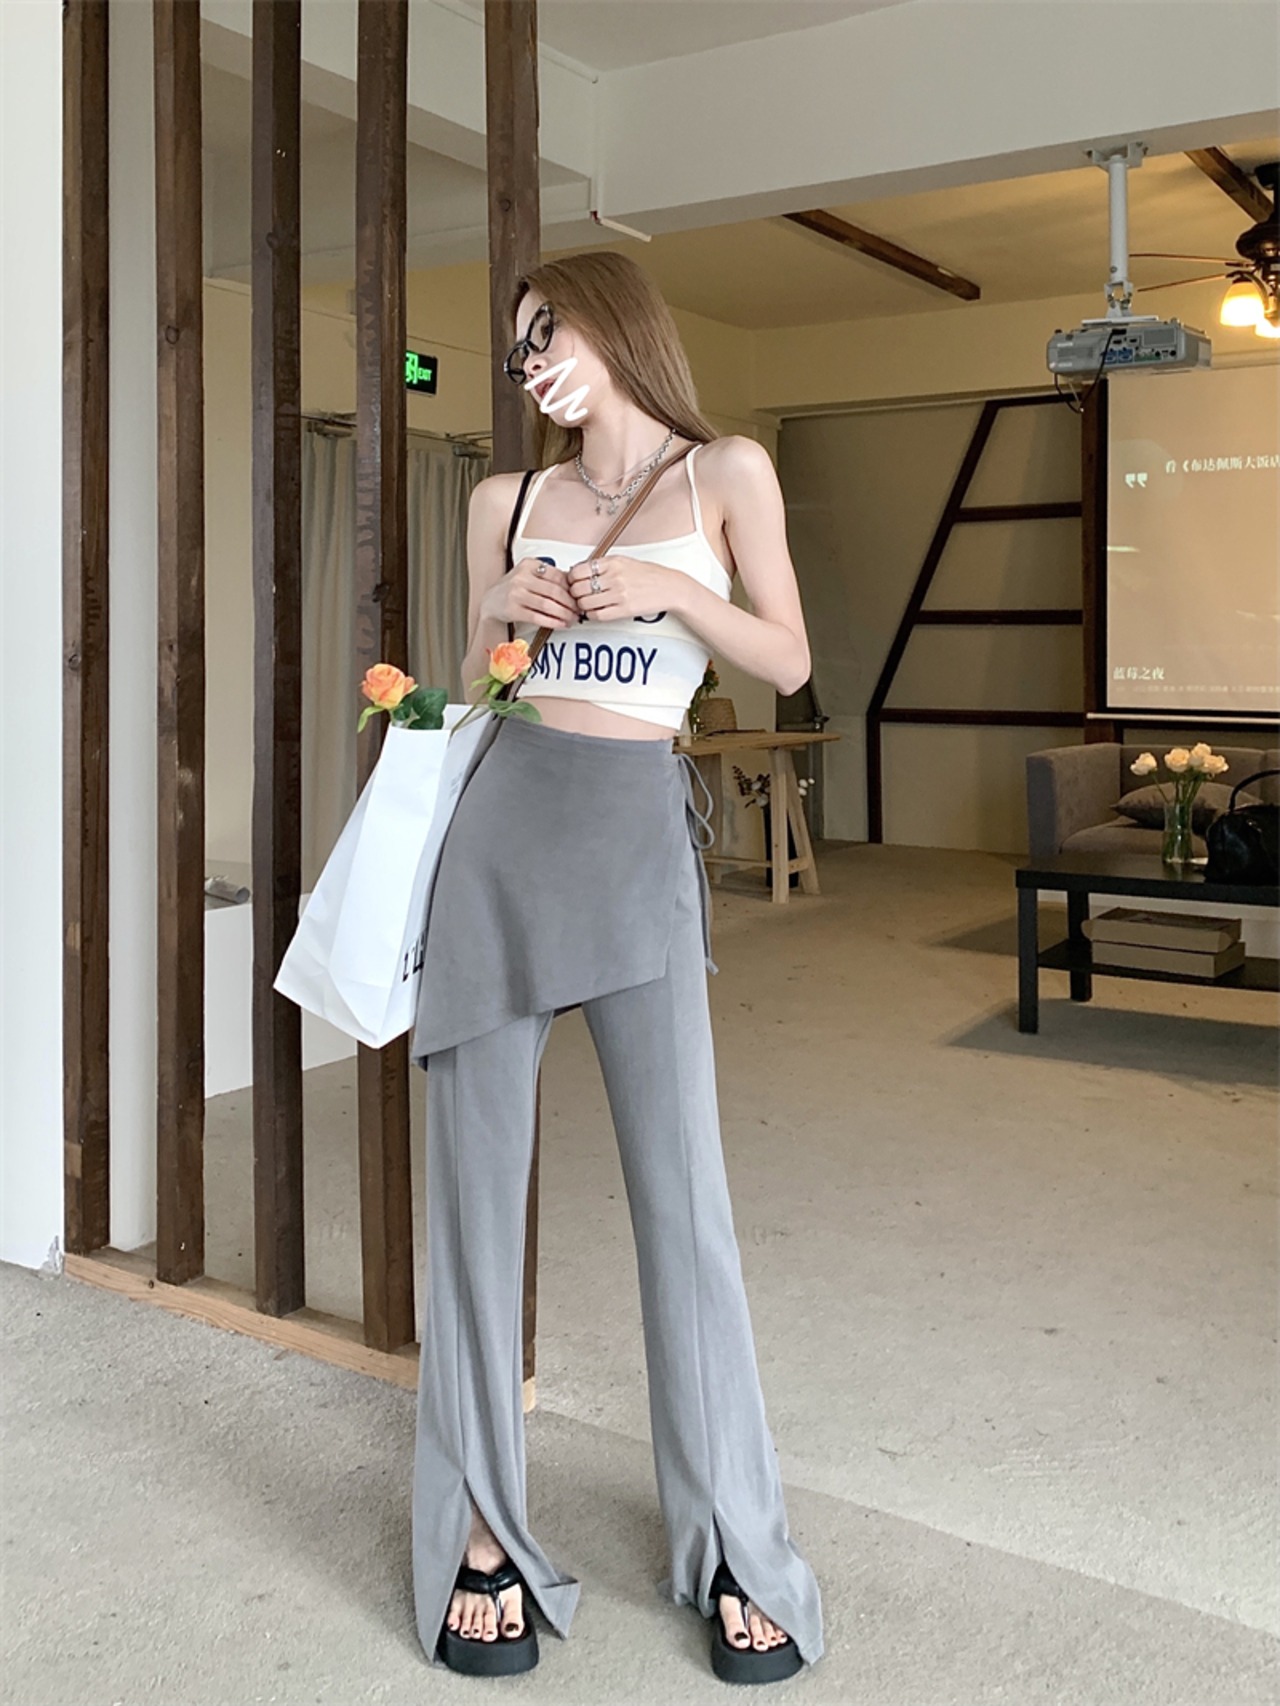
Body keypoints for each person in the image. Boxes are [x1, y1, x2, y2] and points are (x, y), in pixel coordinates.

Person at [408, 250, 823, 1684]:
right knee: (473, 1205)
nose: (531, 362)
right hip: (499, 842)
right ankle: (480, 1530)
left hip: (637, 839)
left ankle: (736, 1544)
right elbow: (477, 687)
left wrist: (664, 587)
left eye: (549, 331)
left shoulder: (727, 473)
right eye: (517, 346)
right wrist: (501, 615)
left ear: (618, 323)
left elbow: (786, 658)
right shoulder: (503, 502)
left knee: (683, 1204)